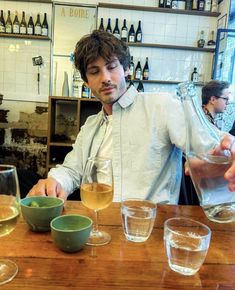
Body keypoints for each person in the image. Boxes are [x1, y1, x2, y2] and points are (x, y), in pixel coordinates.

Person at [28, 30, 235, 203]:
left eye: (111, 67)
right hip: (101, 225)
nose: (105, 78)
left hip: (151, 229)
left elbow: (207, 141)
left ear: (127, 69)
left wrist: (227, 148)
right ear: (86, 82)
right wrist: (55, 181)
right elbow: (72, 170)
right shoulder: (90, 126)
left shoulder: (160, 106)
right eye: (94, 71)